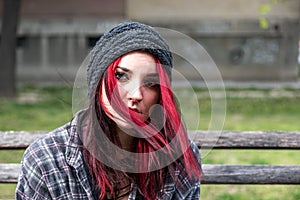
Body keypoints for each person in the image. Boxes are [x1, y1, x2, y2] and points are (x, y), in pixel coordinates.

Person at [16, 21, 202, 200]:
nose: (136, 94)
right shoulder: (47, 160)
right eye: (121, 76)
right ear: (97, 83)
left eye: (150, 82)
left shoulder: (178, 158)